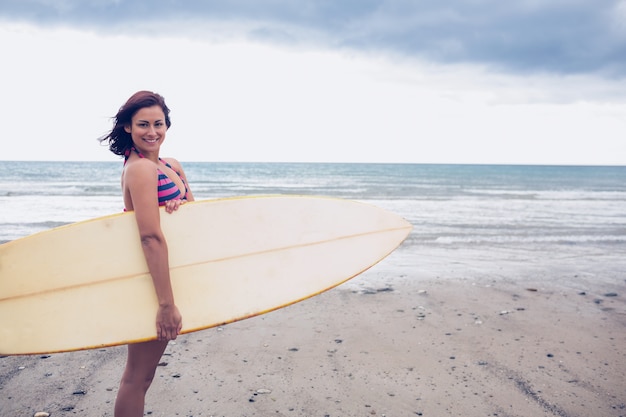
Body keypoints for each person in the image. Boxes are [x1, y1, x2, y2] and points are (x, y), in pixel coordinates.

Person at [99, 91, 195, 417]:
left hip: (171, 273)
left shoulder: (171, 165)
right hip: (151, 281)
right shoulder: (139, 169)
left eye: (158, 123)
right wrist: (166, 304)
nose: (152, 131)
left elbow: (197, 218)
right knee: (137, 377)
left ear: (167, 125)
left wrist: (177, 207)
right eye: (143, 124)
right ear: (128, 127)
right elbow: (150, 237)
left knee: (146, 374)